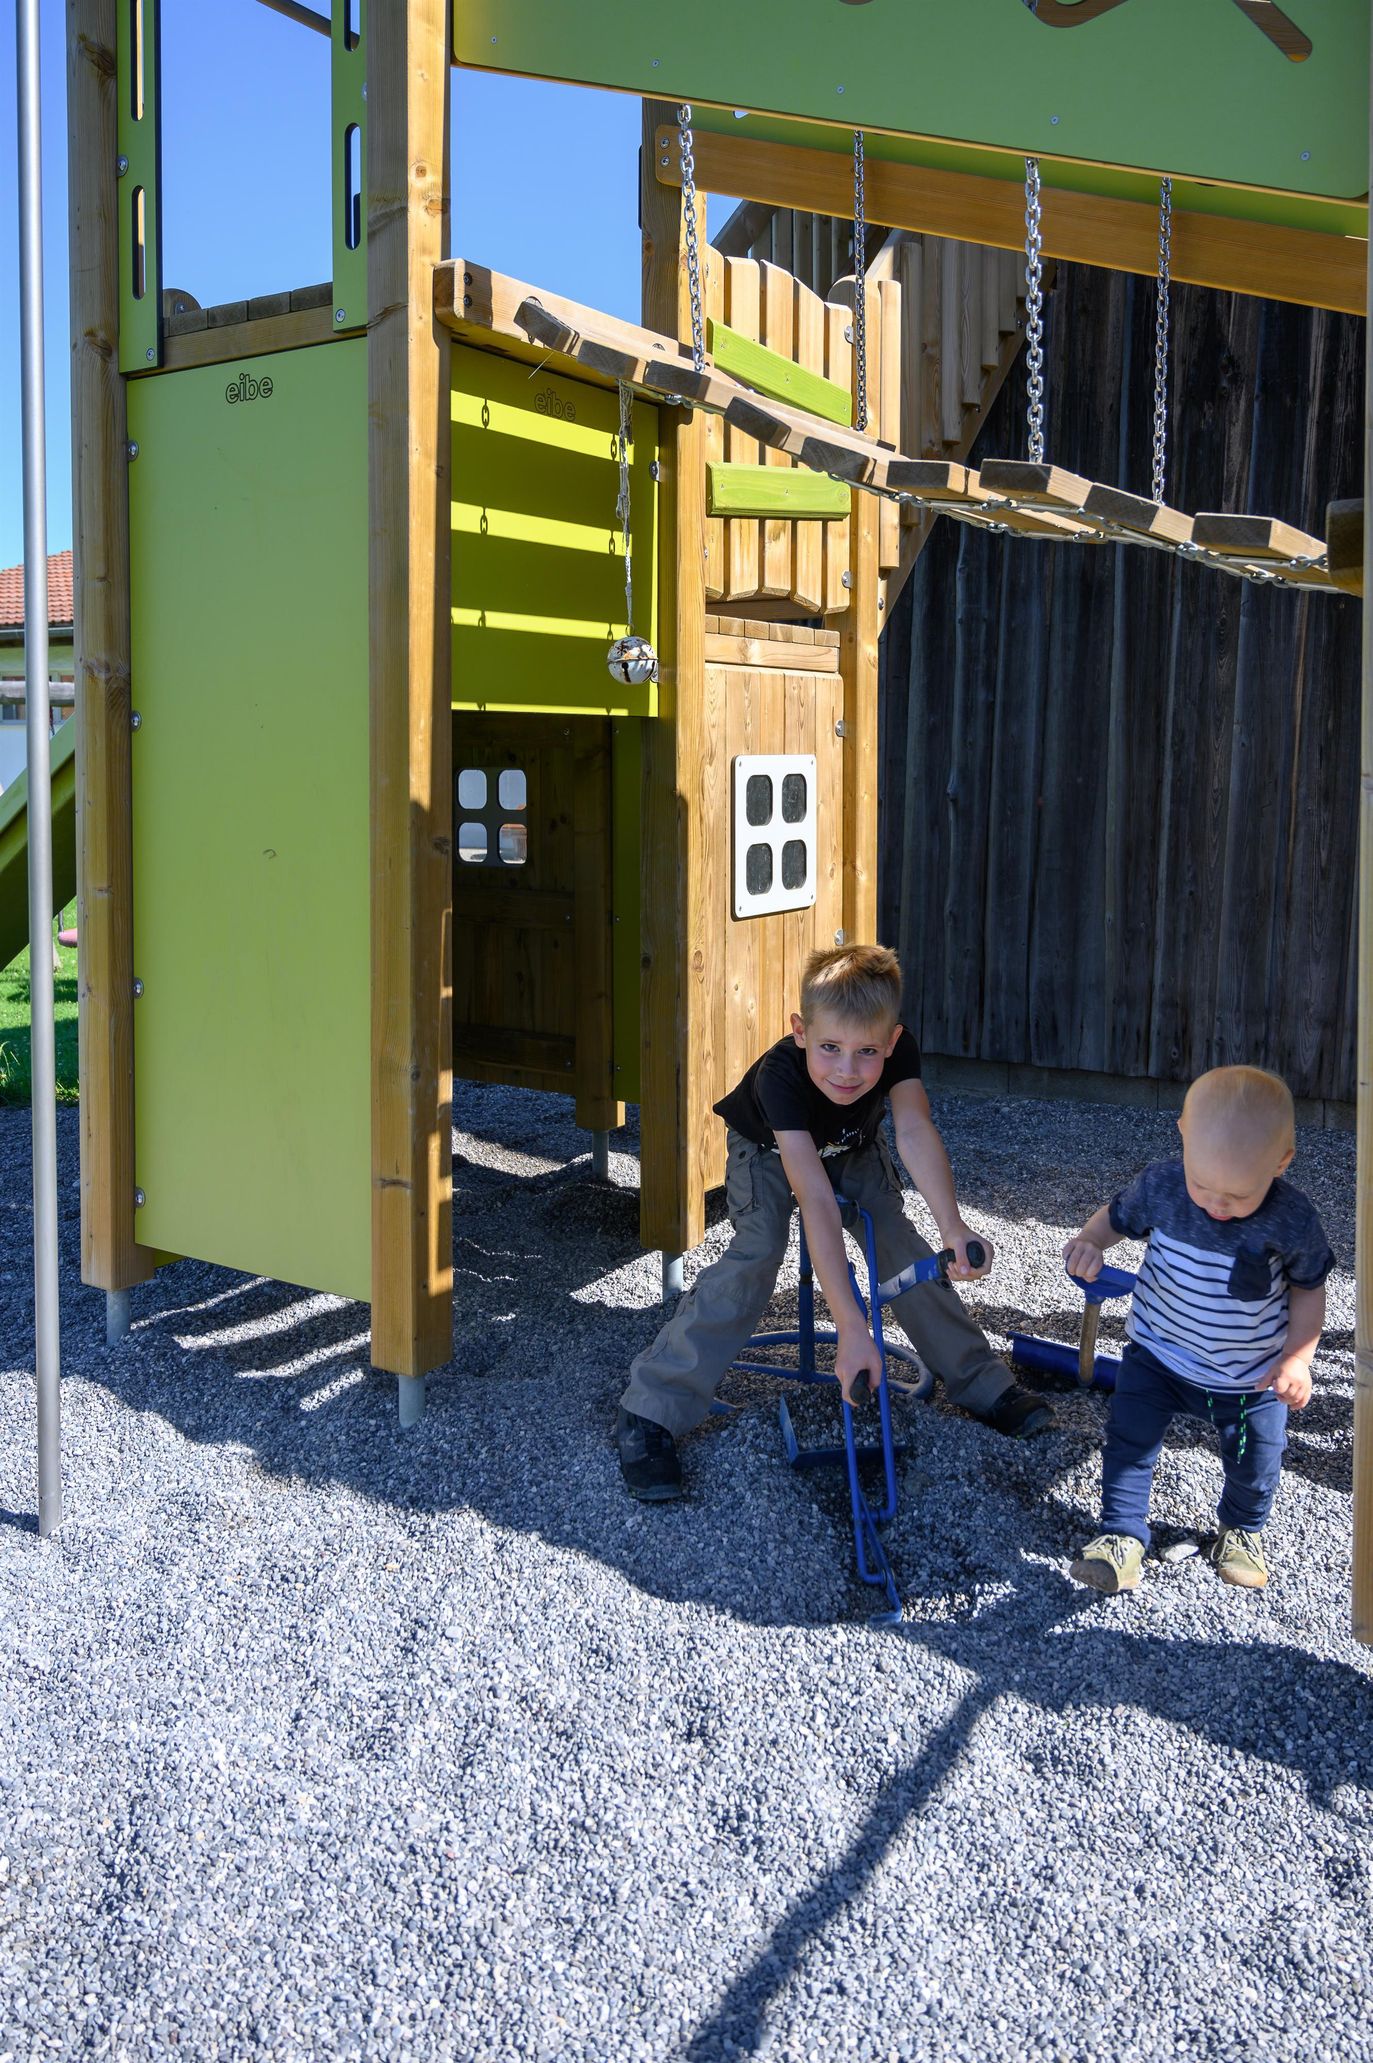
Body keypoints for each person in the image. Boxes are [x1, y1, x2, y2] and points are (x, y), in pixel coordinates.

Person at [615, 943, 1053, 1500]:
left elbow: (914, 1131)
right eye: (829, 1048)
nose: (847, 1071)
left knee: (900, 1242)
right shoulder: (781, 1076)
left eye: (868, 1052)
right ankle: (652, 1409)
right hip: (771, 1152)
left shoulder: (900, 1051)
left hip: (852, 1147)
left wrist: (954, 1226)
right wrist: (851, 1327)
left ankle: (982, 1382)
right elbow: (815, 1200)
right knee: (758, 1252)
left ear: (892, 1042)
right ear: (800, 1031)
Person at [1063, 1065, 1333, 1594]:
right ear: (1183, 1134)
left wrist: (1298, 1358)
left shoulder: (1292, 1220)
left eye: (1237, 1196)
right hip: (1158, 1354)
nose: (1216, 1204)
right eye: (1203, 1185)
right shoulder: (1162, 1185)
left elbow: (1309, 1289)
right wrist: (1090, 1241)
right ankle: (1120, 1535)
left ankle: (1241, 1530)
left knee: (1255, 1456)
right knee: (1129, 1440)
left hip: (1249, 1377)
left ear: (1281, 1163)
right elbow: (1114, 1219)